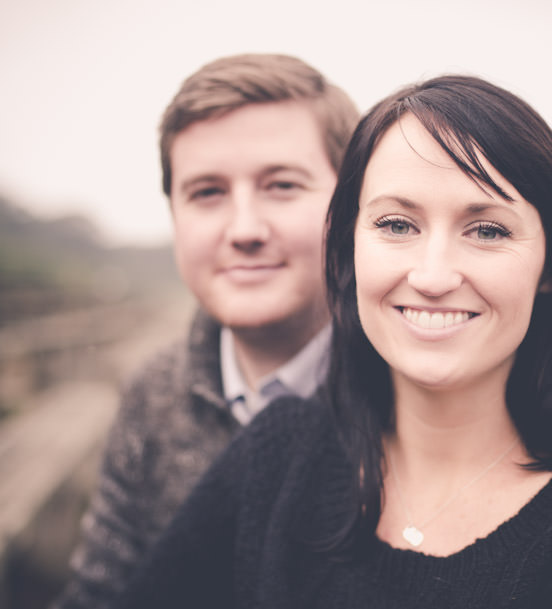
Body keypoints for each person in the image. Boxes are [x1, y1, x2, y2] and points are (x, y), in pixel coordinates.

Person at [115, 75, 552, 608]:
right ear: (349, 249)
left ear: (551, 267)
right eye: (396, 224)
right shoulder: (276, 458)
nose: (432, 276)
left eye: (486, 229)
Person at [52, 54, 359, 608]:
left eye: (282, 185)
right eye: (207, 193)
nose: (244, 230)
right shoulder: (154, 391)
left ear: (351, 205)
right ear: (173, 214)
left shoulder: (423, 391)